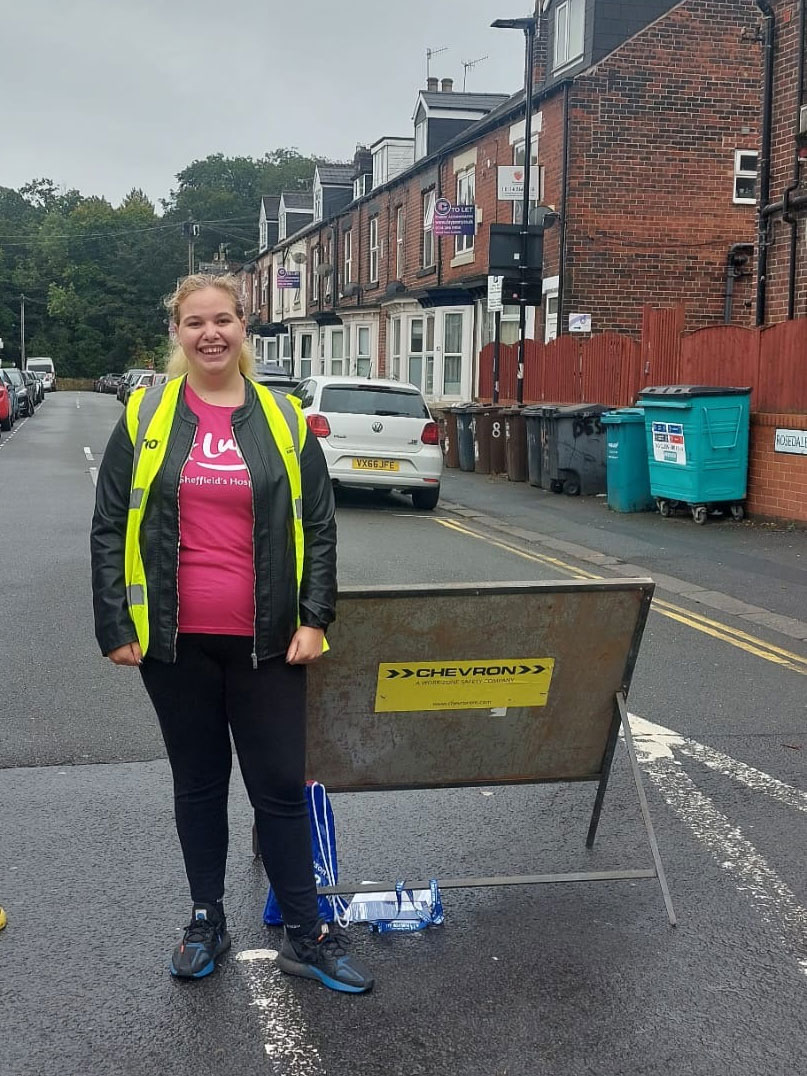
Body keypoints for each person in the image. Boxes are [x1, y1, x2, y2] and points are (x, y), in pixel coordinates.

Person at [90, 273, 373, 993]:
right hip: (172, 640)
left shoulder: (283, 417)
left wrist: (315, 618)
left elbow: (318, 524)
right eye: (194, 322)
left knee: (277, 786)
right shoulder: (145, 414)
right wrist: (115, 622)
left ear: (244, 326)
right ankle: (205, 917)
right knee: (198, 783)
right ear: (177, 332)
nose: (209, 333)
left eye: (222, 319)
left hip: (269, 639)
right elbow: (109, 524)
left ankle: (307, 934)